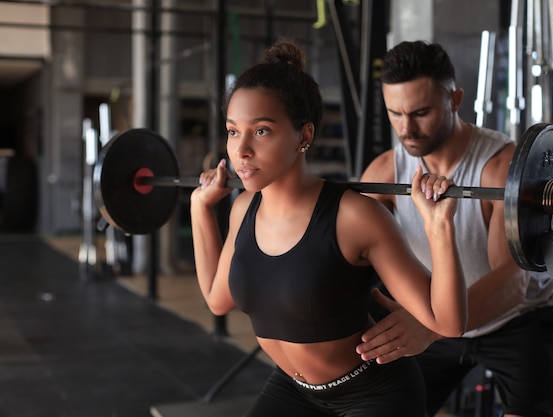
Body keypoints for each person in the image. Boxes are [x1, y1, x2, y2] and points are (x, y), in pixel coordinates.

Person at [190, 38, 467, 417]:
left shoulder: (354, 216)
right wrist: (200, 209)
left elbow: (448, 322)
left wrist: (439, 227)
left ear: (304, 135)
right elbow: (216, 299)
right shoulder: (242, 209)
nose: (241, 151)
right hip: (293, 389)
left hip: (376, 393)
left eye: (262, 131)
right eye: (233, 131)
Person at [357, 40, 553, 417]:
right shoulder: (386, 171)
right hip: (433, 318)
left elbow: (512, 282)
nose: (408, 129)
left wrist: (433, 326)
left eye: (420, 112)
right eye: (395, 113)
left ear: (454, 100)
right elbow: (348, 251)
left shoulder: (497, 167)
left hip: (516, 321)